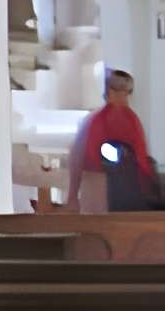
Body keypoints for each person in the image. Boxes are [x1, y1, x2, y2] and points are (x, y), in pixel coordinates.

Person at [67, 67, 159, 209]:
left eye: (126, 92)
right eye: (121, 91)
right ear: (110, 91)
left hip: (118, 187)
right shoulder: (100, 120)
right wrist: (72, 196)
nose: (124, 96)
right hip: (102, 184)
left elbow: (140, 157)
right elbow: (77, 157)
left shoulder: (127, 119)